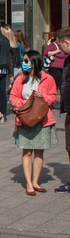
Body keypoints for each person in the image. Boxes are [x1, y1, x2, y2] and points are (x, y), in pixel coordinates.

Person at [9, 50, 58, 195]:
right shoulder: (20, 79)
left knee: (39, 151)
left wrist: (43, 97)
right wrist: (26, 103)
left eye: (26, 61)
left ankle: (36, 181)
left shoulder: (47, 78)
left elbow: (53, 98)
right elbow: (12, 98)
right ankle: (29, 183)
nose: (23, 64)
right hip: (25, 119)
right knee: (27, 152)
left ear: (35, 62)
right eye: (23, 60)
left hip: (42, 119)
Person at [55, 27, 70, 193]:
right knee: (69, 146)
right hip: (68, 110)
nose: (60, 50)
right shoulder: (67, 60)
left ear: (66, 42)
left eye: (60, 46)